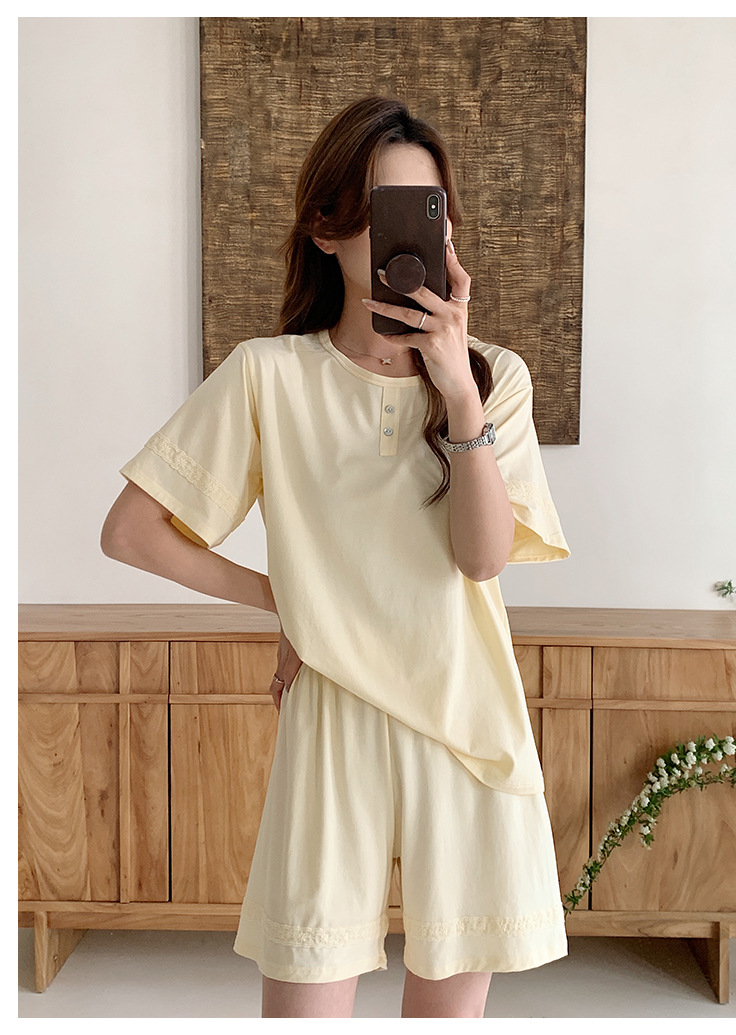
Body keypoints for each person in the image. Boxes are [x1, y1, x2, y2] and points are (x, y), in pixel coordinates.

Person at [101, 95, 571, 1019]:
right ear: (327, 229)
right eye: (379, 208)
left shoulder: (495, 377)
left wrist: (458, 393)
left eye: (427, 209)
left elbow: (482, 560)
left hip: (466, 719)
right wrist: (290, 601)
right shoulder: (268, 373)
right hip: (331, 714)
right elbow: (132, 530)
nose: (407, 233)